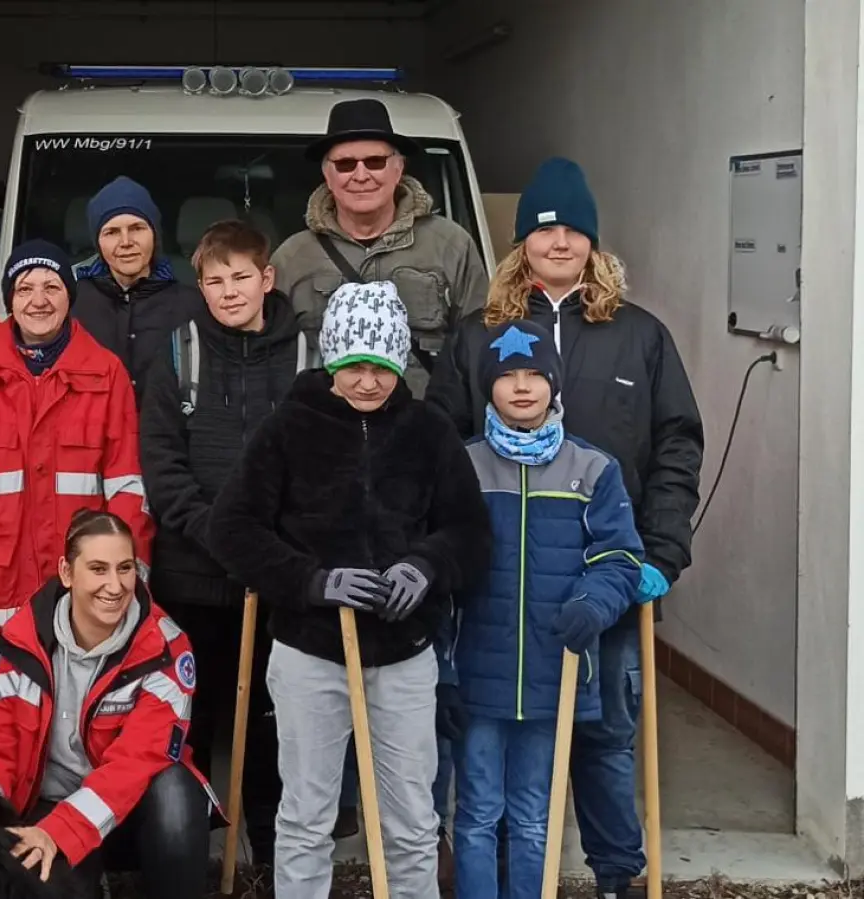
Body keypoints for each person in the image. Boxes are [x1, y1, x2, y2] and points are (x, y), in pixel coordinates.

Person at [427, 157, 704, 899]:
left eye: (573, 230)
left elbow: (678, 441)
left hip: (607, 570)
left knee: (606, 731)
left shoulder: (638, 335)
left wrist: (662, 551)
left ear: (593, 242)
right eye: (544, 231)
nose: (559, 242)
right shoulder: (477, 334)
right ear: (521, 244)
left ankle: (617, 873)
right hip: (501, 587)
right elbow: (438, 447)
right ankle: (505, 873)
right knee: (494, 736)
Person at [206, 280, 491, 899]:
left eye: (383, 367)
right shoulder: (289, 428)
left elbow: (470, 530)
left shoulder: (428, 430)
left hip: (405, 652)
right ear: (332, 360)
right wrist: (313, 581)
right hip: (311, 652)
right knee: (307, 814)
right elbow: (230, 529)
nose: (368, 381)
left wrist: (425, 566)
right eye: (355, 366)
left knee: (413, 819)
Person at [450, 319, 644, 899]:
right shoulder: (463, 466)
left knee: (535, 817)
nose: (523, 386)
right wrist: (440, 666)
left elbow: (620, 558)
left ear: (554, 385)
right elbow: (438, 558)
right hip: (477, 674)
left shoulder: (593, 470)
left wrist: (594, 602)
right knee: (478, 812)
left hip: (552, 674)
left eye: (535, 373)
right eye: (508, 375)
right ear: (488, 387)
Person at [137, 219, 307, 865]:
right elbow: (163, 464)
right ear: (199, 285)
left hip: (277, 582)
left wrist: (269, 547)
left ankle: (265, 852)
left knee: (270, 723)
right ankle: (189, 856)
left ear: (267, 277)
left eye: (242, 277)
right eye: (215, 279)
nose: (230, 291)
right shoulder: (180, 352)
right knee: (191, 719)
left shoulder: (305, 353)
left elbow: (319, 461)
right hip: (194, 578)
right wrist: (224, 536)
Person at [0, 240, 155, 705]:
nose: (38, 300)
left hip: (82, 603)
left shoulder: (105, 374)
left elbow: (128, 488)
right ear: (9, 300)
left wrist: (129, 580)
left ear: (70, 296)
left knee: (76, 740)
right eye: (25, 288)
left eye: (51, 286)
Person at [0, 509, 218, 899]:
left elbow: (136, 763)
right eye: (98, 569)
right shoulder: (21, 640)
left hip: (128, 814)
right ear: (67, 573)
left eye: (125, 568)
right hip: (44, 807)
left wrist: (60, 832)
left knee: (176, 794)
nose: (115, 586)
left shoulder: (167, 648)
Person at [271, 97, 489, 399]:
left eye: (375, 162)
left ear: (398, 169)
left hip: (425, 431)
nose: (361, 175)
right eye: (346, 164)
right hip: (324, 436)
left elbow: (481, 348)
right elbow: (268, 358)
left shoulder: (452, 245)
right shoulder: (291, 258)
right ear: (328, 175)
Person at [71, 176, 204, 396]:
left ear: (155, 234)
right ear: (98, 242)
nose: (125, 242)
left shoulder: (191, 305)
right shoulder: (72, 303)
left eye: (137, 228)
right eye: (112, 232)